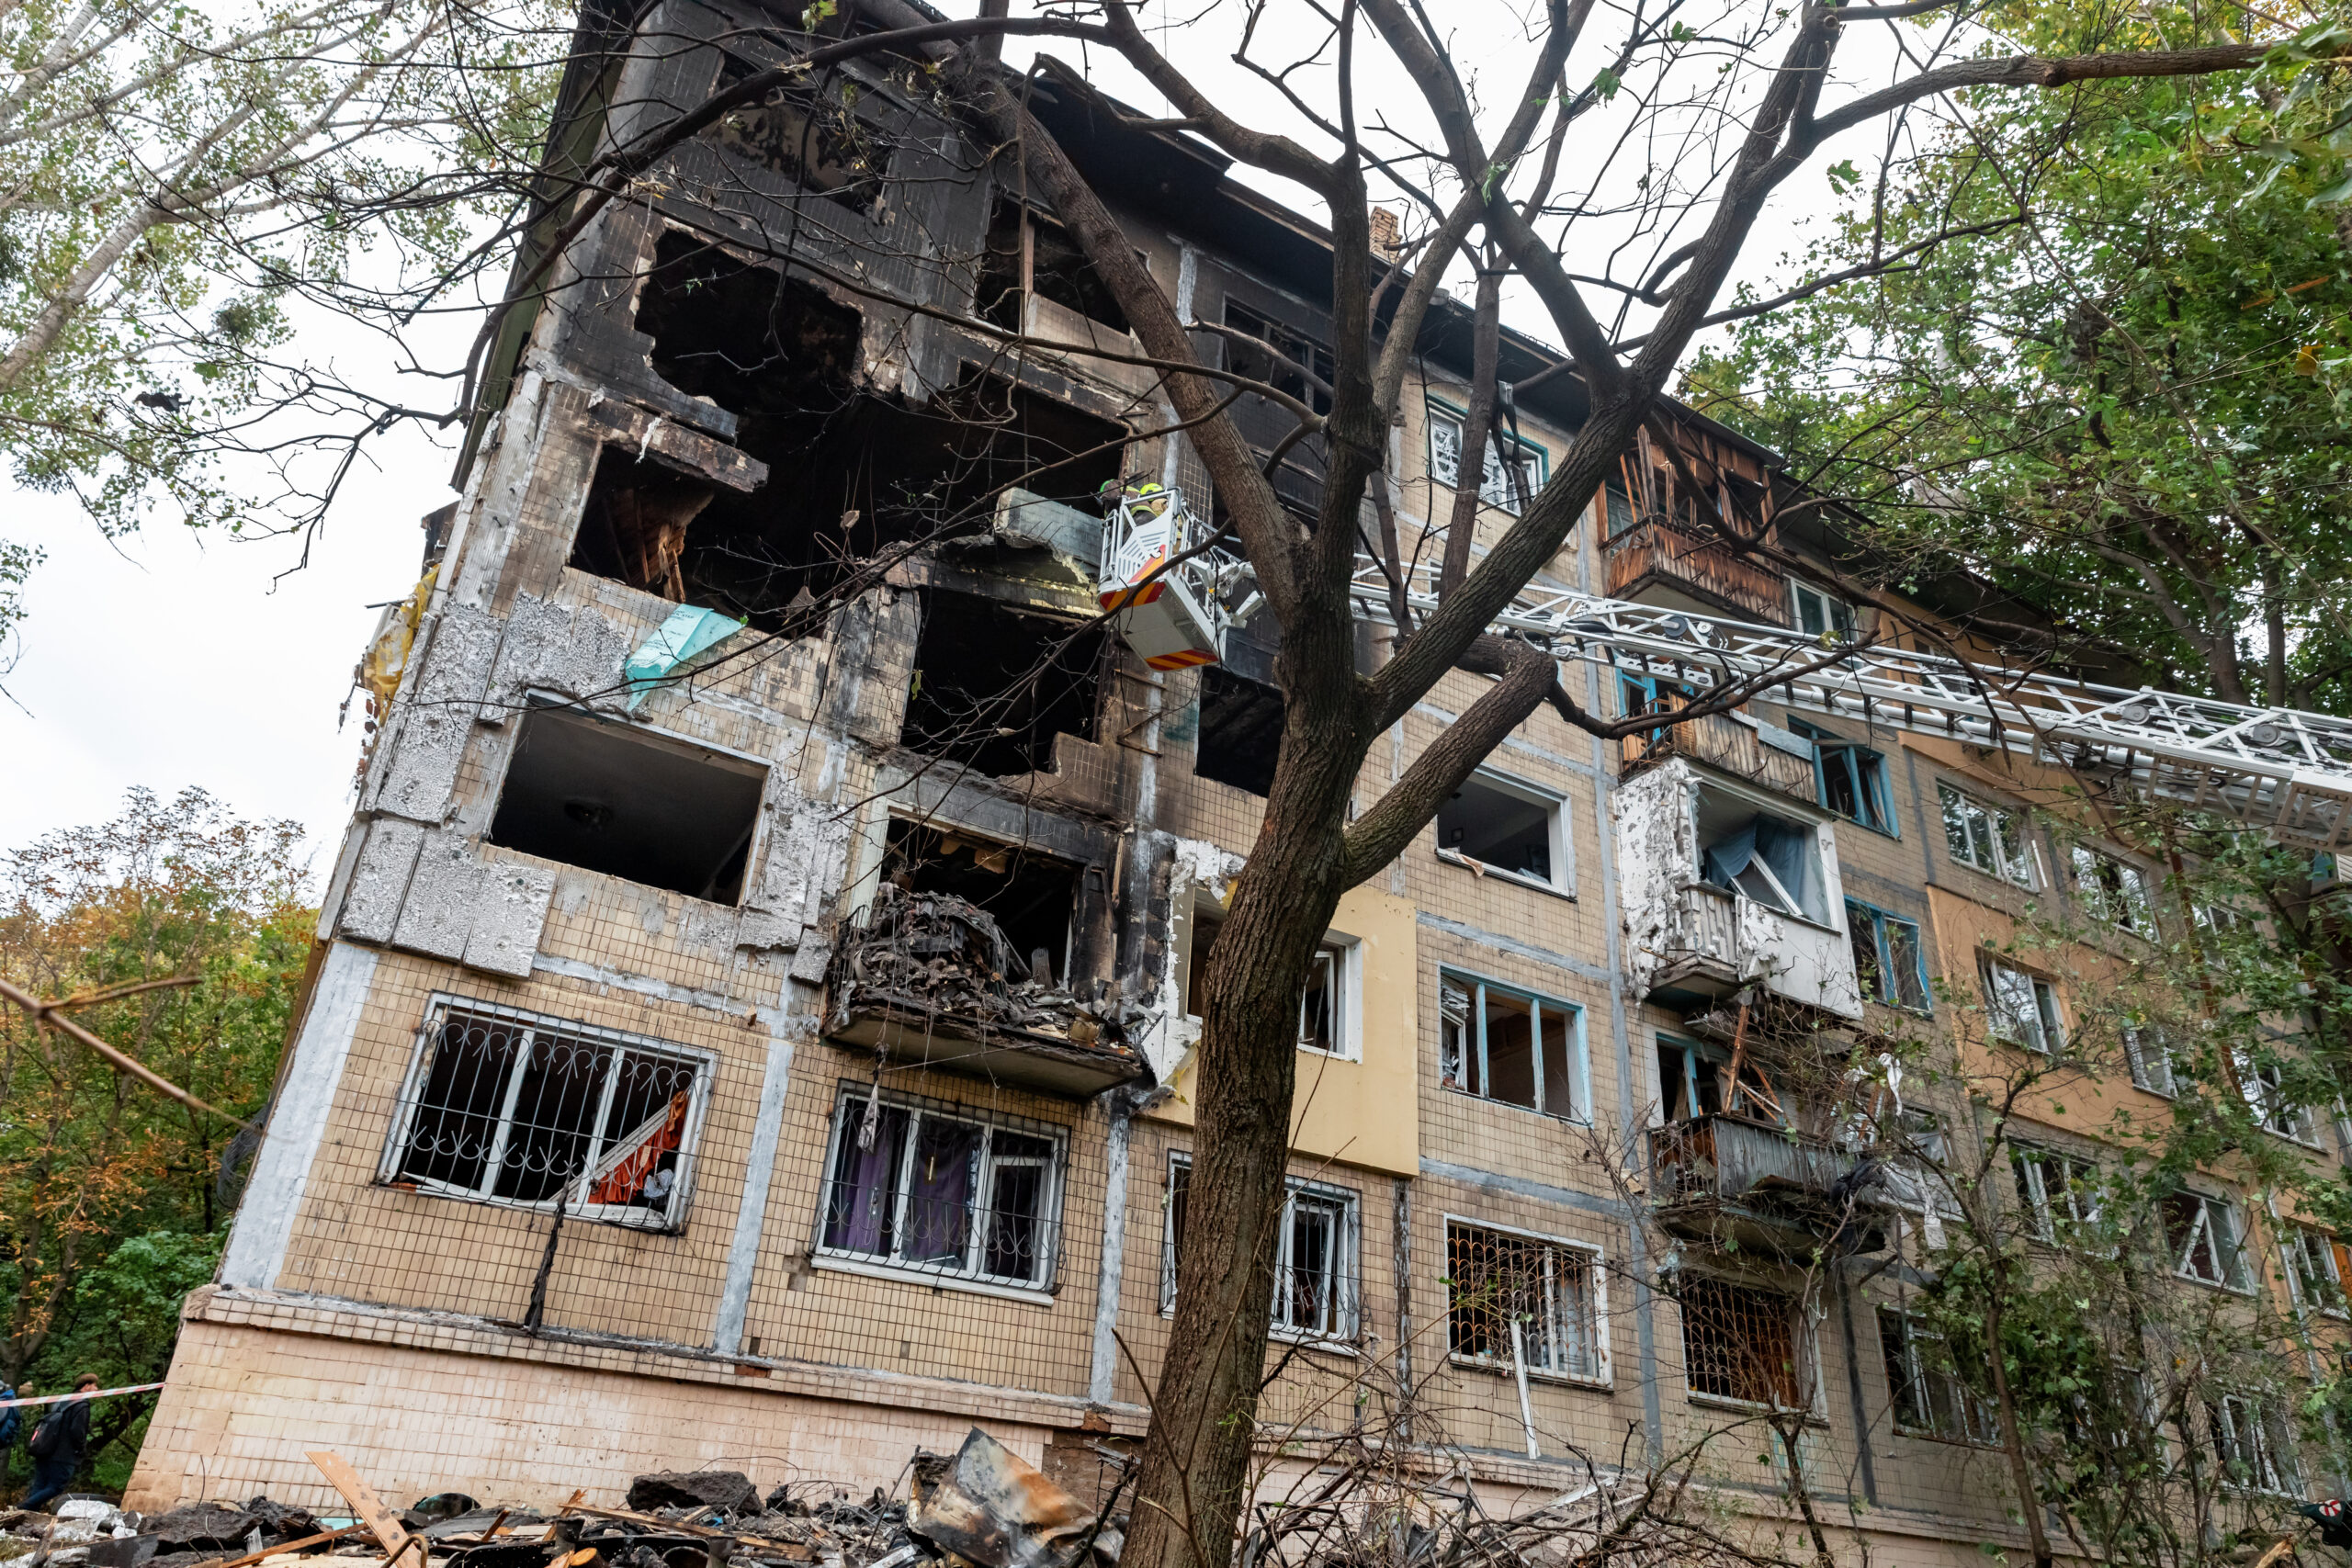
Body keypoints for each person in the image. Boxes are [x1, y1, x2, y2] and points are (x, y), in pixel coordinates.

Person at [24, 1374, 96, 1510]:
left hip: (45, 1449)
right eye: (95, 1386)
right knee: (56, 1487)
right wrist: (80, 1449)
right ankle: (23, 1507)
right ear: (86, 1386)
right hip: (63, 1455)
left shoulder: (63, 1401)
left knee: (39, 1485)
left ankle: (25, 1515)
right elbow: (77, 1431)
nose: (97, 1389)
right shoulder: (82, 1405)